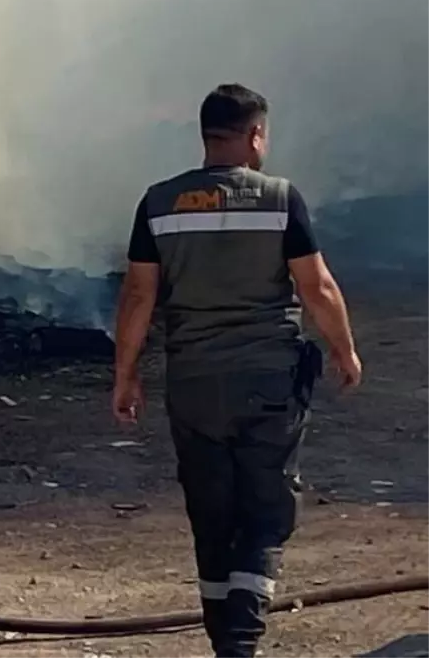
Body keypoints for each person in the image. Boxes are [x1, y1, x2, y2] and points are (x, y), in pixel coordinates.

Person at [112, 83, 363, 658]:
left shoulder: (159, 203)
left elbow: (137, 297)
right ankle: (241, 641)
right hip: (268, 381)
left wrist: (125, 375)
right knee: (267, 512)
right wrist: (345, 352)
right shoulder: (279, 199)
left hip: (194, 384)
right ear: (255, 136)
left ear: (206, 137)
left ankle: (224, 637)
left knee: (211, 511)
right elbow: (317, 287)